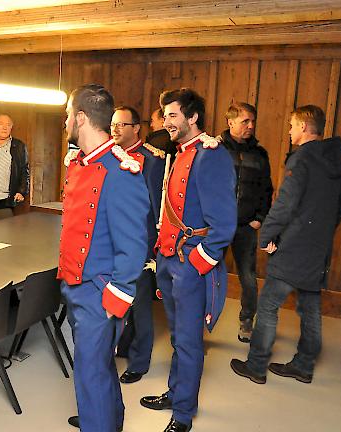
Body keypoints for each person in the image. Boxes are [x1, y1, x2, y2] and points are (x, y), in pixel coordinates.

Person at [140, 88, 236, 432]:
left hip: (190, 263)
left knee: (189, 340)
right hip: (168, 258)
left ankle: (182, 414)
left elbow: (224, 225)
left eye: (173, 115)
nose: (166, 122)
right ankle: (175, 391)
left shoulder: (211, 156)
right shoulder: (180, 152)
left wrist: (198, 263)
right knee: (178, 337)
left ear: (193, 117)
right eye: (164, 115)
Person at [230, 105, 341, 385]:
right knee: (309, 305)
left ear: (305, 128)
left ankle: (256, 366)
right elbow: (339, 208)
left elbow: (285, 204)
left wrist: (268, 234)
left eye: (293, 126)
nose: (290, 131)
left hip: (293, 247)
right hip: (318, 247)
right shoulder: (334, 159)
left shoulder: (302, 159)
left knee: (268, 304)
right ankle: (304, 365)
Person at [59, 85, 150, 432]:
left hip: (99, 292)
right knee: (96, 370)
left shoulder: (120, 171)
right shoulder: (83, 162)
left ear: (80, 118)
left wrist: (116, 297)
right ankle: (108, 422)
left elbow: (134, 244)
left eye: (68, 114)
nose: (65, 120)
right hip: (76, 285)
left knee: (91, 373)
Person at [110, 106, 166, 384]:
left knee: (141, 304)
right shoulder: (110, 156)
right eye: (113, 124)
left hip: (139, 244)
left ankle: (140, 360)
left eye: (122, 124)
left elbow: (155, 210)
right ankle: (123, 344)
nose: (116, 129)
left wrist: (151, 250)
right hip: (113, 243)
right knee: (120, 299)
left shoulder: (152, 161)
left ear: (136, 128)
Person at [217, 102, 273, 343]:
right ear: (230, 122)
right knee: (206, 275)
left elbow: (266, 189)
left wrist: (259, 218)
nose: (250, 126)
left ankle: (247, 320)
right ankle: (199, 320)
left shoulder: (260, 155)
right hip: (217, 225)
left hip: (245, 227)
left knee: (248, 278)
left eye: (252, 121)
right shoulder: (215, 149)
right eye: (245, 121)